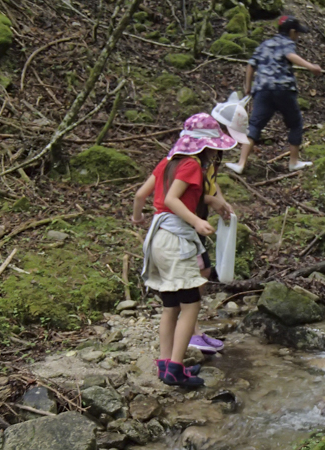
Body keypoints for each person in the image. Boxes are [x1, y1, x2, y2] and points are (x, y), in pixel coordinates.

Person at [132, 113, 238, 387]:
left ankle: (165, 364)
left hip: (157, 239)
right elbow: (171, 199)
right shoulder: (191, 165)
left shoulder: (167, 163)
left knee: (170, 305)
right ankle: (176, 368)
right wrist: (196, 220)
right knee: (190, 304)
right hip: (176, 240)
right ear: (206, 146)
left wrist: (137, 218)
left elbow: (141, 195)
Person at [180, 94, 251, 354]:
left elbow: (211, 182)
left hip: (197, 219)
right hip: (184, 221)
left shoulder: (213, 154)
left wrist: (221, 201)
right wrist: (211, 200)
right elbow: (183, 191)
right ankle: (189, 330)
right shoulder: (195, 152)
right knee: (195, 273)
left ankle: (192, 329)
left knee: (203, 271)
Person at [225, 15, 322, 175]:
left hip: (262, 90)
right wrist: (311, 67)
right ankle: (294, 162)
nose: (297, 36)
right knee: (295, 124)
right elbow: (290, 56)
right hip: (282, 89)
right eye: (297, 33)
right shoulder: (287, 43)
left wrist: (248, 87)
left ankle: (241, 163)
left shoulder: (266, 44)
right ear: (291, 31)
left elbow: (250, 65)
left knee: (255, 125)